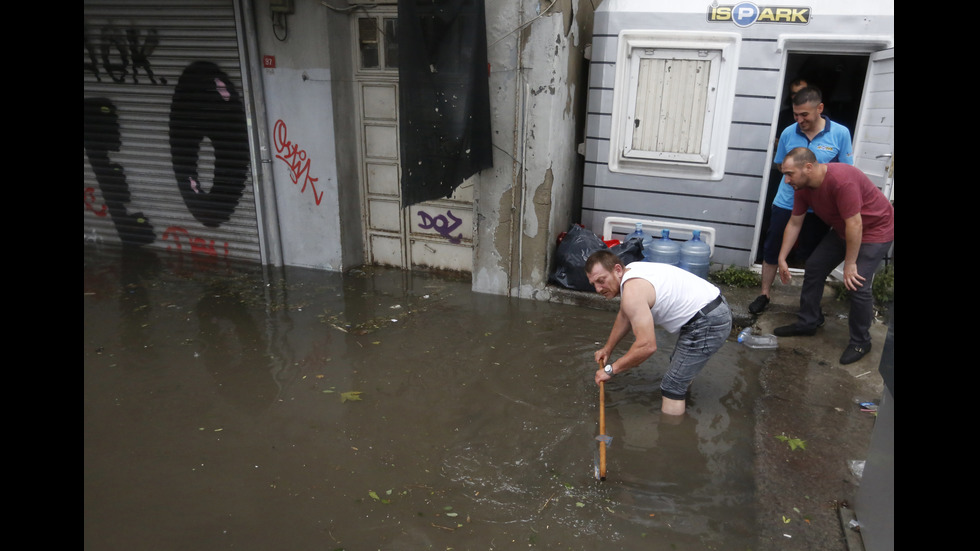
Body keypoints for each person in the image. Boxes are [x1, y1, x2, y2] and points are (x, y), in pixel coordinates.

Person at [773, 147, 894, 365]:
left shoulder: (842, 180)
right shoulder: (802, 187)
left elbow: (855, 224)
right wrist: (782, 257)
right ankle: (809, 322)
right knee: (815, 267)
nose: (786, 180)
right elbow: (795, 221)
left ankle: (861, 341)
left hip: (876, 230)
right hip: (844, 229)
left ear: (808, 167)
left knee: (857, 283)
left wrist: (850, 264)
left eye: (789, 174)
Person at [585, 250, 733, 415]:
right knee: (678, 368)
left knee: (672, 386)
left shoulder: (632, 293)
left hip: (708, 321)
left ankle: (672, 435)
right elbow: (624, 315)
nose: (598, 289)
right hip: (711, 308)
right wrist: (608, 349)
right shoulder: (632, 271)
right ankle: (684, 397)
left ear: (617, 270)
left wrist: (610, 370)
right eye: (594, 284)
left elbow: (647, 346)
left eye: (601, 281)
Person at [749, 85, 854, 314]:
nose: (800, 120)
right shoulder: (789, 132)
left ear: (820, 108)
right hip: (786, 202)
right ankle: (764, 294)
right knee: (773, 248)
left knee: (812, 256)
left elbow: (845, 172)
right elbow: (780, 164)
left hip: (819, 208)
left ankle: (807, 305)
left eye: (805, 114)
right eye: (796, 115)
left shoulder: (840, 133)